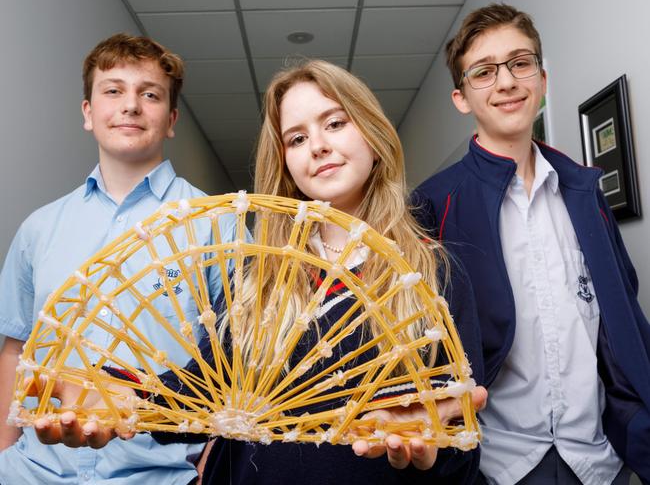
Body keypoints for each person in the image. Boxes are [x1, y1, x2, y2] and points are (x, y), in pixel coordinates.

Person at [29, 60, 487, 484]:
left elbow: (457, 437)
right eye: (297, 138)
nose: (320, 145)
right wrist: (127, 398)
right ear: (285, 162)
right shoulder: (260, 276)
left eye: (334, 123)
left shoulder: (433, 275)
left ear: (372, 132)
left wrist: (437, 446)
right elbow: (200, 389)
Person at [412, 3, 650, 484]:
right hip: (500, 466)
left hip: (598, 461)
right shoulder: (434, 204)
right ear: (461, 98)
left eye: (520, 63)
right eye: (484, 72)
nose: (506, 82)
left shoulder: (585, 192)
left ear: (542, 78)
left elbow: (620, 316)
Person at [0, 33, 236, 484]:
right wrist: (4, 454)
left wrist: (212, 464)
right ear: (89, 113)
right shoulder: (38, 229)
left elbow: (236, 358)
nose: (130, 106)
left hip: (162, 476)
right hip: (32, 473)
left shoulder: (216, 227)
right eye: (113, 90)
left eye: (149, 95)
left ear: (170, 120)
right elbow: (16, 347)